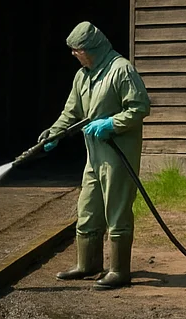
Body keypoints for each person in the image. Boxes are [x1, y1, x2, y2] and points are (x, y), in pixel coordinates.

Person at [37, 21, 150, 289]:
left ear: (93, 48)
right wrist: (55, 132)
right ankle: (87, 264)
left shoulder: (121, 70)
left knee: (117, 211)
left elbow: (139, 107)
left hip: (118, 155)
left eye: (77, 50)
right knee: (87, 207)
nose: (74, 54)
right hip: (94, 155)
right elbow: (71, 112)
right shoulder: (83, 76)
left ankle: (119, 271)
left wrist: (111, 124)